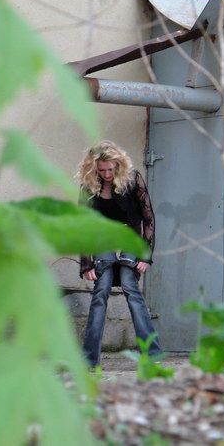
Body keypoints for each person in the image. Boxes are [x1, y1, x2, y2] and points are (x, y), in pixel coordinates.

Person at [76, 140, 162, 367]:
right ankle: (89, 361)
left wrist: (145, 255)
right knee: (101, 290)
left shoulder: (133, 179)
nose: (106, 174)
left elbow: (148, 217)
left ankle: (152, 355)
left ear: (118, 164)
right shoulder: (88, 185)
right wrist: (86, 263)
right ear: (94, 168)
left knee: (130, 287)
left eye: (110, 169)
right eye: (101, 170)